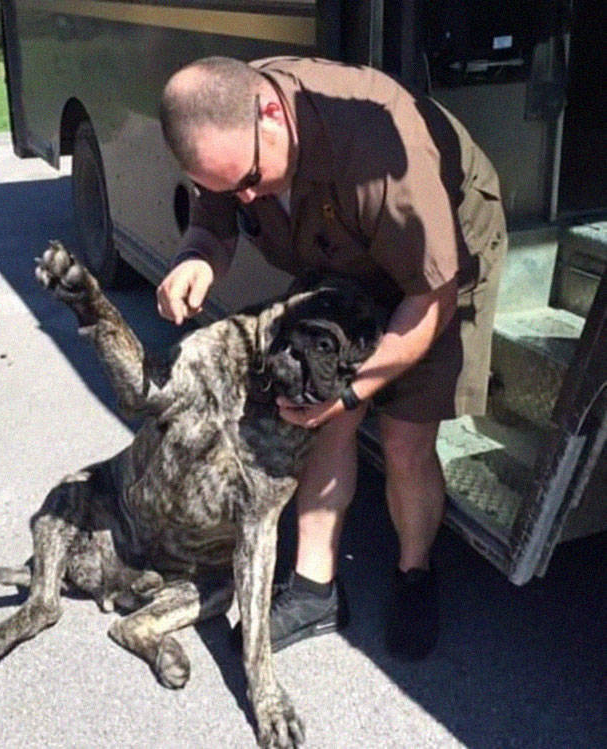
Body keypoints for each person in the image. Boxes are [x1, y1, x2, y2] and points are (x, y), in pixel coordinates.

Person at [156, 56, 507, 660]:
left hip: (437, 261)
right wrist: (197, 256)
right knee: (317, 417)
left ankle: (415, 573)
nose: (247, 196)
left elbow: (430, 299)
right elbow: (215, 222)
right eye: (229, 186)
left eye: (251, 179)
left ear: (272, 113)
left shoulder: (375, 145)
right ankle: (315, 589)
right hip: (341, 253)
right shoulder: (232, 134)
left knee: (402, 437)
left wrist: (354, 390)